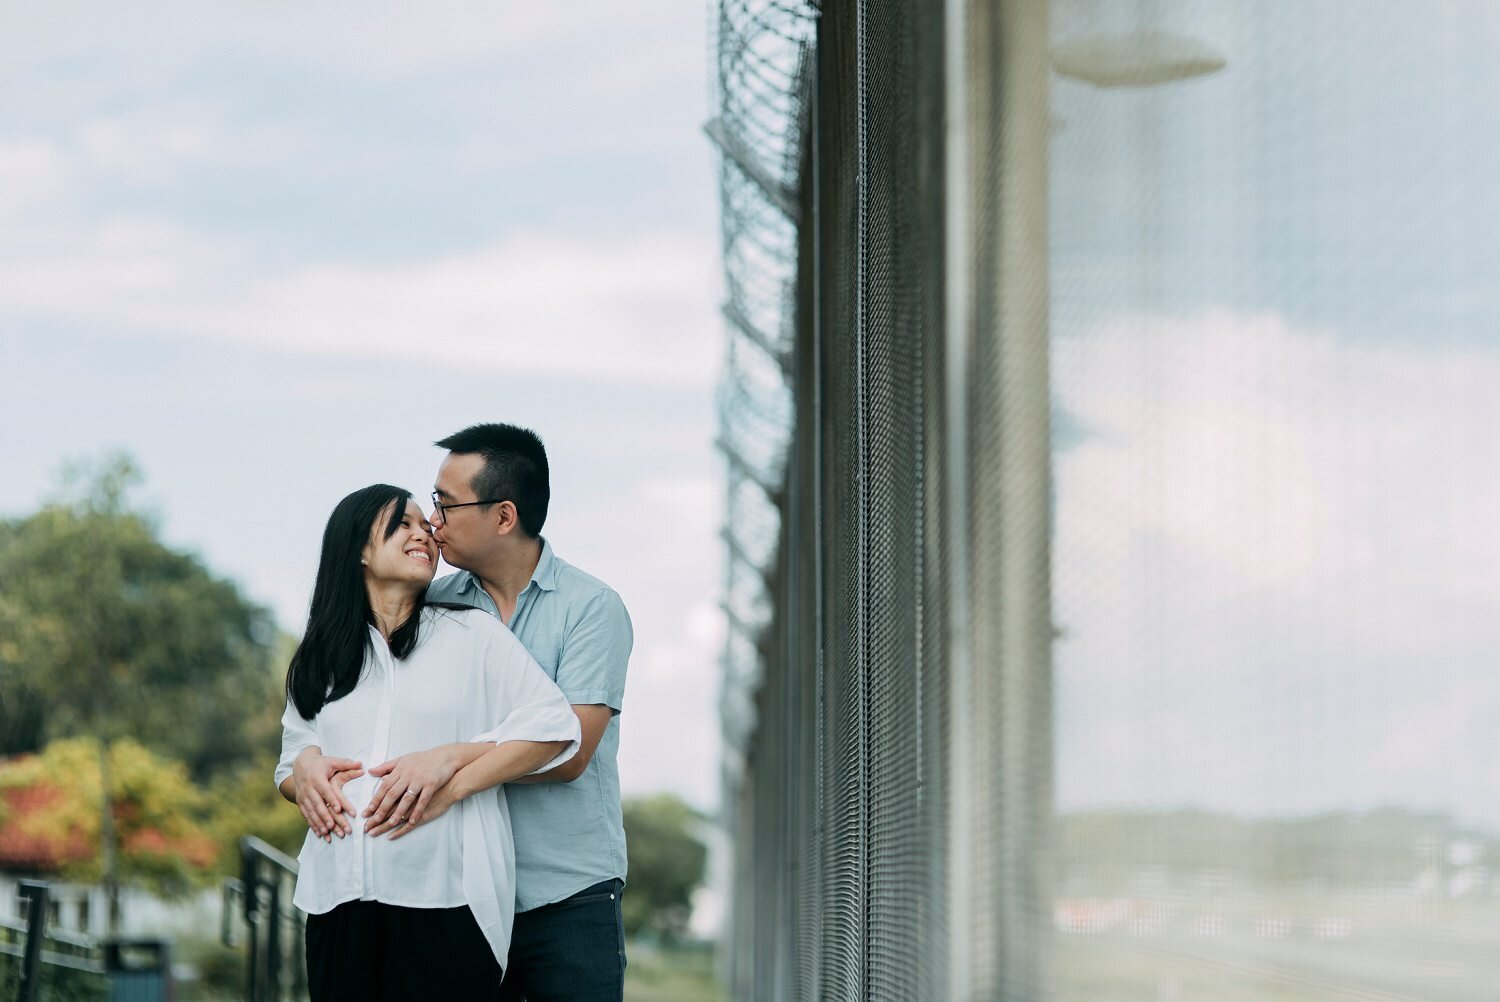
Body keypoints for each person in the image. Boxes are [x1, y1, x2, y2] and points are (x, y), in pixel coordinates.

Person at [276, 484, 581, 1000]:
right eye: (402, 524)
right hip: (336, 901)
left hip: (447, 902)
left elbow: (553, 727)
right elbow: (291, 758)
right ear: (359, 550)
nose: (424, 533)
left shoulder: (473, 636)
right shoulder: (321, 655)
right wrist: (303, 772)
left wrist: (452, 766)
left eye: (425, 523)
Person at [402, 422, 634, 1001]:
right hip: (462, 890)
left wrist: (450, 762)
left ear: (504, 516)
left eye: (446, 504)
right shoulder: (430, 607)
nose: (433, 521)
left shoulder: (591, 609)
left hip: (570, 896)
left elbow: (572, 750)